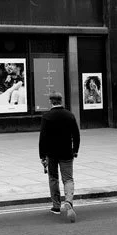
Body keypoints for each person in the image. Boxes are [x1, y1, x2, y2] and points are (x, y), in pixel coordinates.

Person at [39, 92, 80, 223]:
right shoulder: (70, 115)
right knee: (68, 179)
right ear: (61, 101)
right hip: (67, 152)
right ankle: (68, 201)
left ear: (51, 102)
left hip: (51, 154)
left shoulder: (47, 117)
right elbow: (76, 135)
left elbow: (43, 138)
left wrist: (42, 156)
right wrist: (75, 150)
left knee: (53, 178)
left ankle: (56, 207)